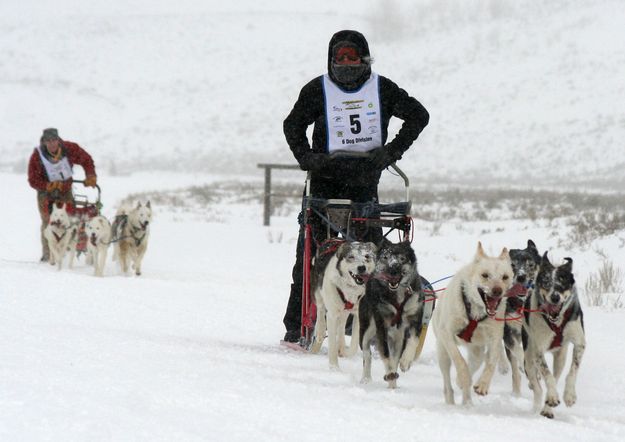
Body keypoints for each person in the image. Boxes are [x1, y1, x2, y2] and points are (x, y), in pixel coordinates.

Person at [282, 30, 430, 343]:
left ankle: (368, 326)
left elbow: (419, 115)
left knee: (371, 259)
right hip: (324, 183)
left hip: (364, 183)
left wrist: (392, 151)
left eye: (352, 57)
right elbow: (292, 124)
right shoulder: (317, 89)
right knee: (309, 259)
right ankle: (298, 326)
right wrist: (307, 157)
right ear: (331, 59)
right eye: (340, 58)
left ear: (364, 59)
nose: (346, 63)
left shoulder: (382, 88)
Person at [27, 128, 98, 262]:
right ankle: (48, 255)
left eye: (54, 140)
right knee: (48, 222)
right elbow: (32, 179)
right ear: (44, 142)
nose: (52, 144)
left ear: (58, 140)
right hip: (45, 194)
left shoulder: (70, 149)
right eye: (49, 141)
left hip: (65, 191)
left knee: (69, 220)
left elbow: (86, 159)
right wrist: (47, 185)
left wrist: (90, 175)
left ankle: (67, 251)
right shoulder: (37, 156)